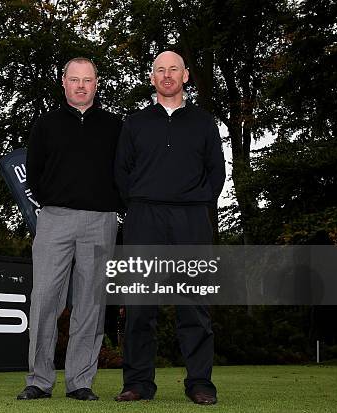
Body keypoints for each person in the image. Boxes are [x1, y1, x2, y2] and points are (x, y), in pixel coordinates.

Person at [113, 51, 226, 405]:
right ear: (151, 78)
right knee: (139, 306)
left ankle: (200, 384)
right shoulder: (134, 122)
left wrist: (195, 201)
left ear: (185, 76)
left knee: (194, 305)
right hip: (144, 218)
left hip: (190, 220)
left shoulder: (204, 122)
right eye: (160, 70)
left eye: (173, 69)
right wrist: (138, 202)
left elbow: (217, 172)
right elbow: (120, 172)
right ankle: (138, 383)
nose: (167, 75)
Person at [16, 57, 122, 401]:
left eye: (87, 79)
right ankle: (39, 380)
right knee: (45, 299)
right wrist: (56, 203)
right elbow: (34, 173)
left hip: (100, 221)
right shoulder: (46, 125)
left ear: (96, 83)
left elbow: (125, 171)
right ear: (63, 83)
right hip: (55, 220)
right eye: (74, 79)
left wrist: (112, 206)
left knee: (91, 303)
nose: (80, 85)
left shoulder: (115, 126)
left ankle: (80, 382)